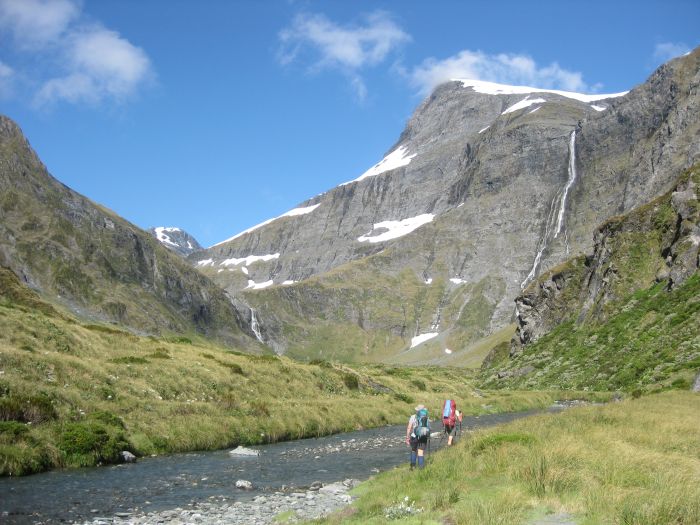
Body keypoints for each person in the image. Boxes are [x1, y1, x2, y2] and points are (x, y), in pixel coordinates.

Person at [406, 404, 429, 469]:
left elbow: (409, 428)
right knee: (420, 452)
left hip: (414, 436)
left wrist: (407, 437)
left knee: (413, 450)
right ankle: (421, 468)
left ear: (417, 410)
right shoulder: (426, 417)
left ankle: (413, 466)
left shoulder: (413, 416)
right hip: (423, 436)